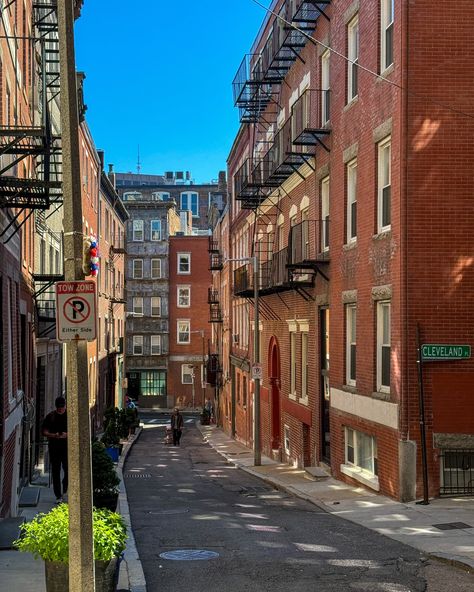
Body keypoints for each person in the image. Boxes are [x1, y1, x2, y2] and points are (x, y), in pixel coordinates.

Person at [42, 396, 68, 503]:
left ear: (65, 406)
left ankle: (65, 488)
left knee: (68, 470)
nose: (61, 409)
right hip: (54, 448)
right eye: (59, 407)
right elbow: (44, 432)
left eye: (62, 407)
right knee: (55, 472)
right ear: (56, 407)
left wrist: (67, 435)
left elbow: (76, 431)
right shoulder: (50, 417)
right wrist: (54, 435)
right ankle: (58, 495)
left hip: (67, 448)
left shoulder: (69, 417)